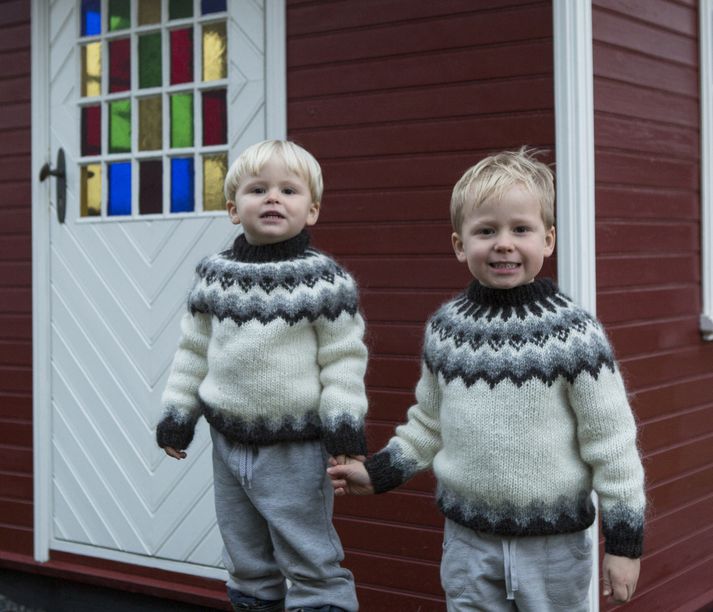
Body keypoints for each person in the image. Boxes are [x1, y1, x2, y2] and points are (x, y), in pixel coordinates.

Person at [328, 148, 645, 611]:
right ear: (460, 244)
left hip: (555, 549)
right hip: (468, 543)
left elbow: (612, 443)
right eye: (486, 230)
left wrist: (624, 543)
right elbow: (428, 425)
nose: (503, 243)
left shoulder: (575, 336)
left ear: (548, 239)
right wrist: (377, 474)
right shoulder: (446, 331)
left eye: (521, 229)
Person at [156, 140, 368, 612]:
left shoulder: (325, 282)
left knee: (309, 557)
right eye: (258, 189)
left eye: (288, 190)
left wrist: (344, 425)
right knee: (246, 559)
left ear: (311, 210)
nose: (273, 198)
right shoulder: (214, 276)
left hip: (297, 448)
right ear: (234, 208)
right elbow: (193, 351)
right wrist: (177, 415)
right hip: (228, 443)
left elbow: (343, 359)